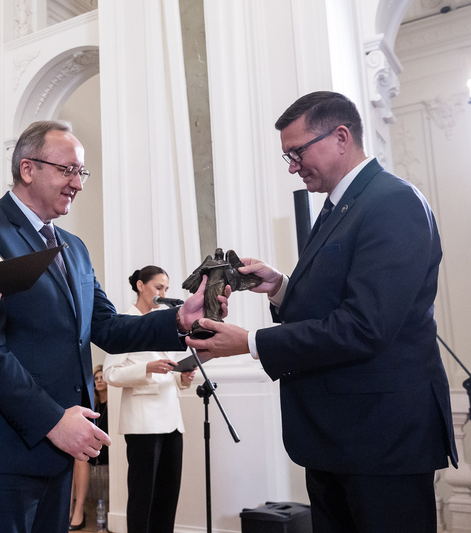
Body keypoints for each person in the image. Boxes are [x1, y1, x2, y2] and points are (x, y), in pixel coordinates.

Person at [189, 91, 457, 532]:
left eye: (297, 152)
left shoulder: (392, 202)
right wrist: (280, 287)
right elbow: (337, 303)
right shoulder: (340, 206)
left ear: (340, 136)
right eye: (287, 156)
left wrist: (251, 343)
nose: (293, 166)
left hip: (381, 437)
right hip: (340, 435)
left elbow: (365, 326)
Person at [0, 120, 223, 533]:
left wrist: (179, 319)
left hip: (60, 447)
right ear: (27, 168)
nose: (79, 183)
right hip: (1, 447)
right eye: (68, 170)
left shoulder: (75, 247)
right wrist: (53, 420)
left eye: (81, 172)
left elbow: (106, 326)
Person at [103, 266, 194, 533]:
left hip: (172, 421)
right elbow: (111, 374)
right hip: (143, 423)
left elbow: (170, 372)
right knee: (143, 496)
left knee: (168, 495)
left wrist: (182, 377)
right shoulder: (125, 323)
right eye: (158, 287)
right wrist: (147, 368)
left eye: (166, 288)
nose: (163, 293)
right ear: (141, 286)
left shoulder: (162, 322)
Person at [69, 364, 108, 531]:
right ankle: (68, 510)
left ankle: (78, 512)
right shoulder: (94, 406)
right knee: (73, 456)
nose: (98, 381)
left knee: (80, 458)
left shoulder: (112, 406)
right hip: (92, 448)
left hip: (107, 450)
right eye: (95, 379)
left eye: (101, 378)